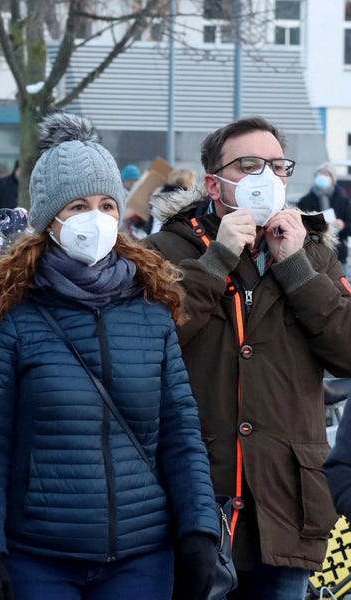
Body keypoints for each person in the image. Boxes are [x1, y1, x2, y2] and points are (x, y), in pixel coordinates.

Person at [0, 113, 220, 600]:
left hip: (142, 556)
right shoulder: (7, 315)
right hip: (38, 557)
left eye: (105, 205)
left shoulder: (151, 309)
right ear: (48, 219)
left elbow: (181, 434)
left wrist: (200, 531)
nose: (94, 218)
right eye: (78, 205)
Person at [145, 116, 351, 598]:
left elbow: (346, 352)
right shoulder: (166, 250)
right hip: (197, 490)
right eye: (250, 165)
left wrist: (297, 268)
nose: (268, 177)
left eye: (277, 167)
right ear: (214, 184)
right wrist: (216, 260)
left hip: (285, 497)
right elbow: (151, 341)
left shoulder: (314, 253)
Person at [297, 164, 351, 266]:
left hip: (338, 256)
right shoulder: (305, 201)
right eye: (320, 173)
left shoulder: (343, 201)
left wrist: (343, 226)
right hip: (312, 255)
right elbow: (298, 224)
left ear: (333, 179)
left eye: (327, 174)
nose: (323, 176)